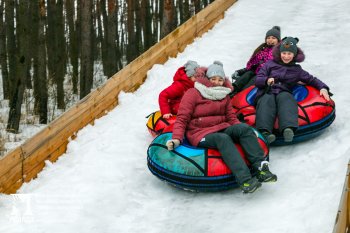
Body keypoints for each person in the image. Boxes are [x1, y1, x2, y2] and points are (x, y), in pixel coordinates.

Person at [166, 61, 277, 194]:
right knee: (222, 138)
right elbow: (182, 118)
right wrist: (177, 138)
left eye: (220, 79)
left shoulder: (223, 95)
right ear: (207, 79)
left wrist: (241, 131)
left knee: (244, 129)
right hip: (200, 133)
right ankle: (245, 180)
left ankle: (261, 168)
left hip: (222, 127)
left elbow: (231, 117)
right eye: (213, 79)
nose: (217, 82)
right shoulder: (193, 93)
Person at [254, 37, 331, 143]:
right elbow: (258, 79)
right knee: (267, 101)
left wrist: (323, 87)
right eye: (284, 53)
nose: (286, 56)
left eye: (289, 54)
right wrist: (266, 80)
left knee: (287, 99)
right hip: (268, 90)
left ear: (294, 55)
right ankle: (265, 133)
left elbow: (311, 79)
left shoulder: (297, 70)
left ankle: (288, 129)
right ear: (279, 53)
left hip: (284, 91)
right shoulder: (269, 64)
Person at [231, 26, 281, 95]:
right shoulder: (262, 49)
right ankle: (232, 90)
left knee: (255, 79)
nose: (270, 40)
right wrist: (240, 72)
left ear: (278, 40)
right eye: (268, 38)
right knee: (248, 74)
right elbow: (253, 65)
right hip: (257, 72)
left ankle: (241, 95)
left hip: (266, 76)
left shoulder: (279, 51)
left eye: (273, 38)